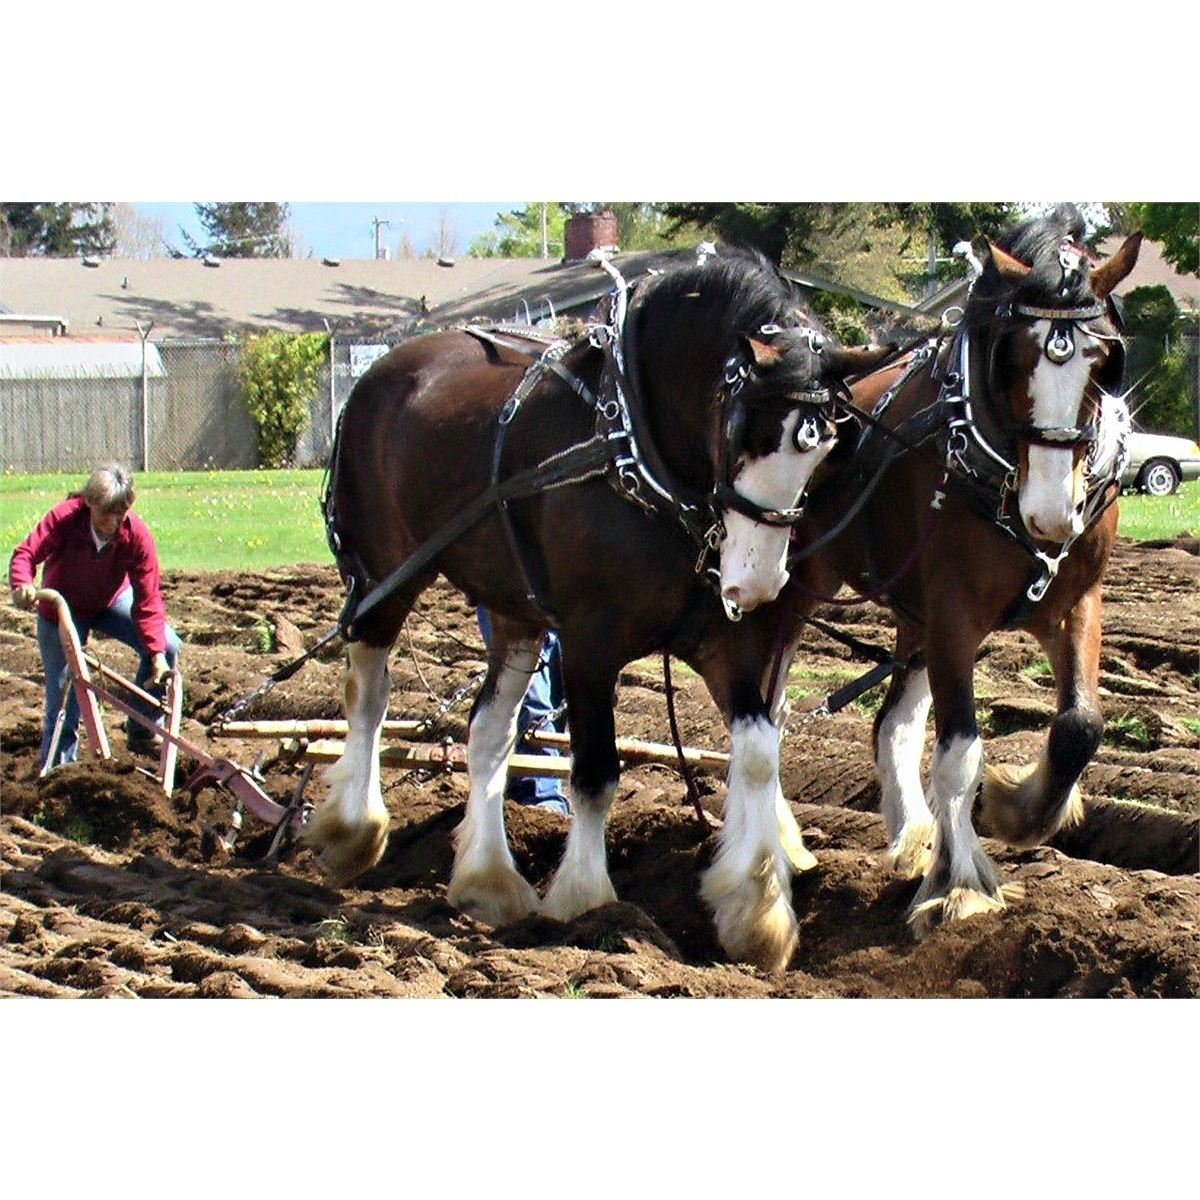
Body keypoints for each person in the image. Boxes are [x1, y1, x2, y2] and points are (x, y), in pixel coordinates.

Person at [9, 463, 182, 770]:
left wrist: (155, 654)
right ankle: (59, 771)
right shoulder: (65, 518)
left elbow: (149, 598)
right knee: (66, 694)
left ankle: (142, 730)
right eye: (107, 514)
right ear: (89, 503)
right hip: (62, 610)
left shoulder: (136, 535)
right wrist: (23, 584)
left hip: (110, 600)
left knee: (168, 646)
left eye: (121, 514)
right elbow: (26, 553)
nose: (114, 523)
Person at [476, 609, 569, 817]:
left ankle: (522, 784)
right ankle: (542, 796)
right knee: (529, 689)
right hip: (515, 595)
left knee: (555, 682)